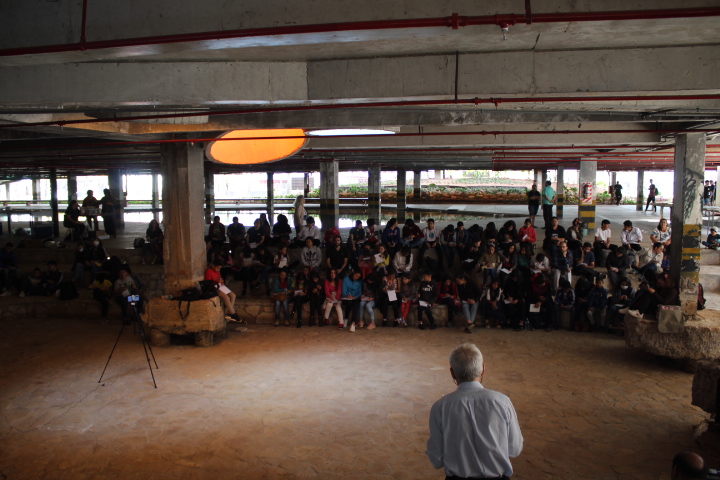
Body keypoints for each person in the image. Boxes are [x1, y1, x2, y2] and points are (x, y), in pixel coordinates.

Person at [426, 343, 523, 479]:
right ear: (483, 369)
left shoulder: (440, 407)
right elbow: (515, 449)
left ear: (452, 372)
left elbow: (436, 459)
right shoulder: (502, 402)